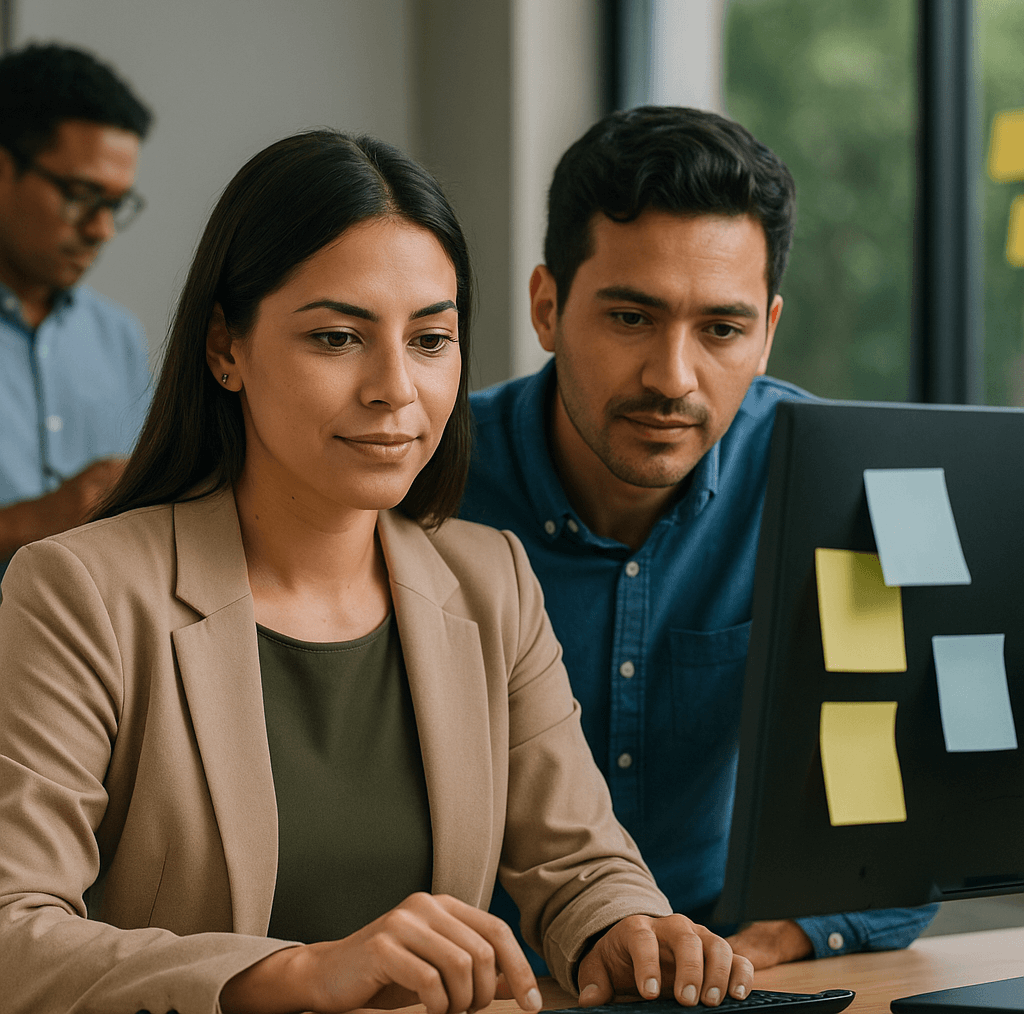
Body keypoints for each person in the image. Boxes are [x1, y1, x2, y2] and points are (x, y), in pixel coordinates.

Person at [0, 129, 755, 1014]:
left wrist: (624, 928)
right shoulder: (80, 591)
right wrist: (295, 975)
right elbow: (14, 929)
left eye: (431, 339)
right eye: (336, 337)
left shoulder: (491, 581)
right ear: (226, 349)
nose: (395, 387)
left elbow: (577, 861)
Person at [461, 106, 937, 970]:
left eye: (721, 328)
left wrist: (782, 938)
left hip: (725, 972)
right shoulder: (429, 484)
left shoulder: (835, 493)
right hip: (496, 980)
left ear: (767, 335)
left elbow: (906, 809)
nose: (672, 378)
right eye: (632, 318)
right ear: (546, 306)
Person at [0, 43, 153, 575]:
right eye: (81, 194)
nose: (101, 229)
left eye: (115, 205)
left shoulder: (117, 338)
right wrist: (31, 521)